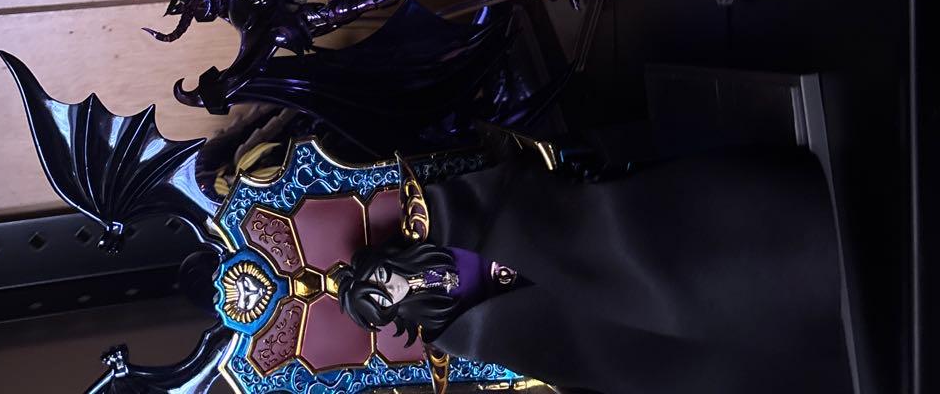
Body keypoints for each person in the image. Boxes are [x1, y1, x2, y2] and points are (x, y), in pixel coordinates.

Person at [337, 146, 854, 394]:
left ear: (383, 262)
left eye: (379, 282)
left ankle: (795, 248)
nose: (389, 289)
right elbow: (519, 343)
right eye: (382, 302)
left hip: (575, 244)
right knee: (657, 345)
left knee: (670, 269)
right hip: (564, 318)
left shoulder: (435, 220)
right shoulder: (444, 330)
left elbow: (504, 196)